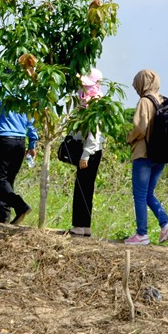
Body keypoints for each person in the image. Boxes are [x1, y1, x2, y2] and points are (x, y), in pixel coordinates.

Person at [124, 69, 168, 246]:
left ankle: (141, 234)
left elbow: (140, 128)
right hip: (160, 156)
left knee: (139, 195)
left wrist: (129, 137)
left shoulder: (144, 101)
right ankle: (165, 224)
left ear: (142, 83)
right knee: (148, 193)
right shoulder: (165, 101)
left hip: (143, 154)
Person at [65, 69, 104, 237]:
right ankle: (84, 226)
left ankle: (79, 225)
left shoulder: (94, 103)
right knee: (86, 188)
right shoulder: (87, 102)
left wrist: (85, 154)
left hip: (90, 150)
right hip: (92, 150)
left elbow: (94, 132)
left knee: (82, 188)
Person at [0, 107, 38, 225]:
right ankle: (4, 215)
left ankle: (20, 206)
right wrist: (32, 143)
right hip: (20, 141)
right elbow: (30, 122)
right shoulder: (24, 98)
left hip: (4, 139)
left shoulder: (1, 94)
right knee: (8, 180)